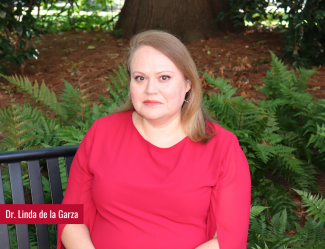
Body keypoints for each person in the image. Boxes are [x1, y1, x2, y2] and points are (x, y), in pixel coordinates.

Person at [57, 30, 251, 249]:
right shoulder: (102, 132)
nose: (150, 90)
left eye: (164, 78)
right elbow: (71, 217)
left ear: (188, 84)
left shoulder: (222, 147)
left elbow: (228, 239)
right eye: (140, 78)